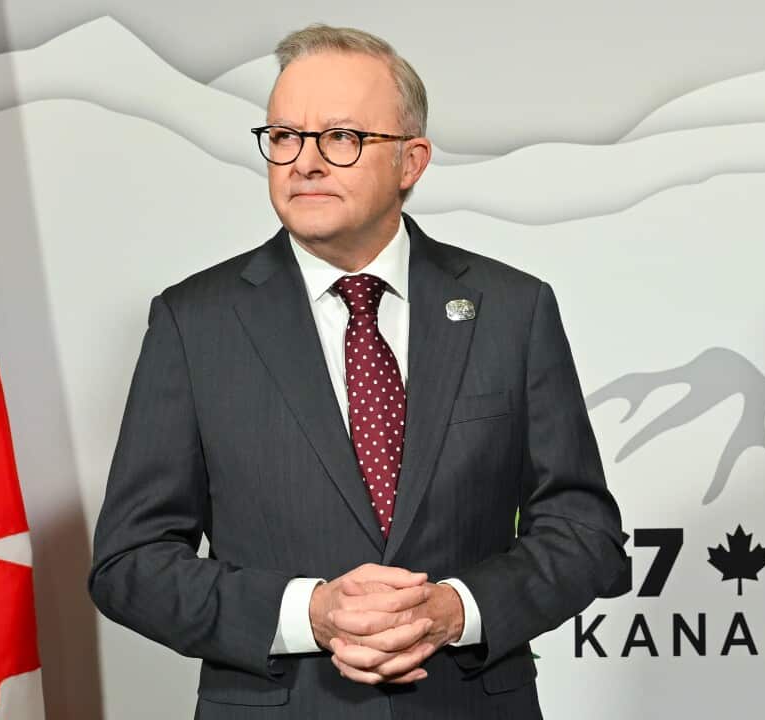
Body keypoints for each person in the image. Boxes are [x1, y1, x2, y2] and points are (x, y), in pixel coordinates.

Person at [88, 24, 627, 719]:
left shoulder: (511, 309)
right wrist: (305, 612)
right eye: (284, 136)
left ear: (411, 161)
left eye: (341, 136)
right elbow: (129, 564)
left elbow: (584, 534)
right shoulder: (195, 323)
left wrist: (453, 611)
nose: (304, 162)